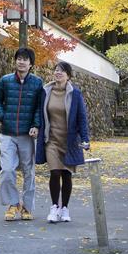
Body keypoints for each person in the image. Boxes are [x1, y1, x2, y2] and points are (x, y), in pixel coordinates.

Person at [0, 46, 43, 221]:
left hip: (27, 135)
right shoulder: (5, 81)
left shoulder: (37, 83)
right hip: (8, 133)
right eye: (19, 59)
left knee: (29, 172)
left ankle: (27, 207)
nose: (21, 62)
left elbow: (39, 107)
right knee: (7, 170)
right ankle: (13, 203)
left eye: (25, 59)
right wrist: (3, 117)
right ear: (15, 61)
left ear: (31, 64)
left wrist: (36, 125)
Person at [36, 61, 90, 223]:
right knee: (54, 172)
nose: (58, 73)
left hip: (69, 141)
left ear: (68, 75)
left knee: (66, 175)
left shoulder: (75, 94)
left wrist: (85, 139)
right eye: (56, 70)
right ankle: (54, 207)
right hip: (51, 139)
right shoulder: (46, 91)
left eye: (62, 71)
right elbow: (39, 113)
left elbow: (82, 118)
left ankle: (65, 208)